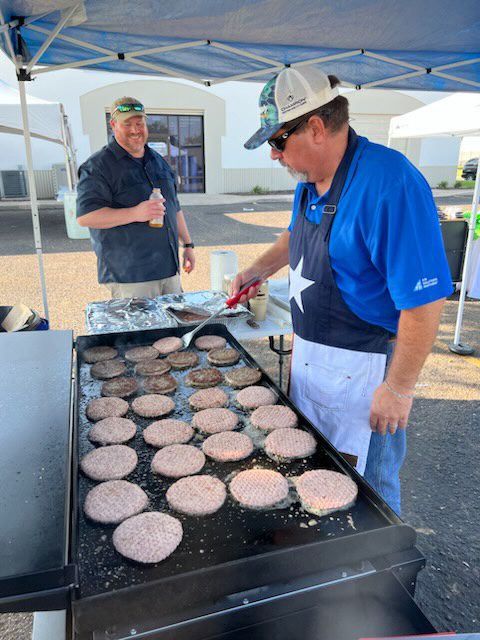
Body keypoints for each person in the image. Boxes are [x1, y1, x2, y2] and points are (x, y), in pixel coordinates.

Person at [233, 66, 453, 514]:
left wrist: (400, 389)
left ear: (315, 127)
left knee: (368, 491)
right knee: (309, 475)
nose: (274, 155)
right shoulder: (310, 180)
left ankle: (378, 579)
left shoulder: (390, 184)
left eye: (278, 141)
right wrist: (257, 269)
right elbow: (297, 234)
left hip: (367, 371)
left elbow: (426, 300)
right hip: (315, 359)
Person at [76, 96, 195, 299]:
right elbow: (86, 216)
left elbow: (174, 207)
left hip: (168, 270)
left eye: (139, 123)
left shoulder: (158, 161)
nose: (135, 130)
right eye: (127, 124)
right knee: (143, 332)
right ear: (114, 125)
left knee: (175, 328)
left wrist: (188, 245)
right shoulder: (98, 166)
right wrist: (134, 213)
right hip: (131, 276)